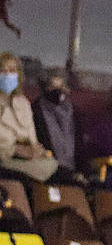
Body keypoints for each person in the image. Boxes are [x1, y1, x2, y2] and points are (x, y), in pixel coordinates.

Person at [0, 53, 57, 182]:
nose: (8, 75)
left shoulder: (22, 102)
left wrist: (36, 148)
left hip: (29, 159)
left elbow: (32, 137)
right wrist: (15, 150)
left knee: (67, 177)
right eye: (2, 71)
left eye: (12, 70)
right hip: (6, 160)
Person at [31, 69, 76, 172]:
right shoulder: (36, 110)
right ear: (44, 88)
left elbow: (80, 145)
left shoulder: (73, 111)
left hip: (72, 167)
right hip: (46, 165)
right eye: (53, 87)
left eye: (61, 87)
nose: (58, 91)